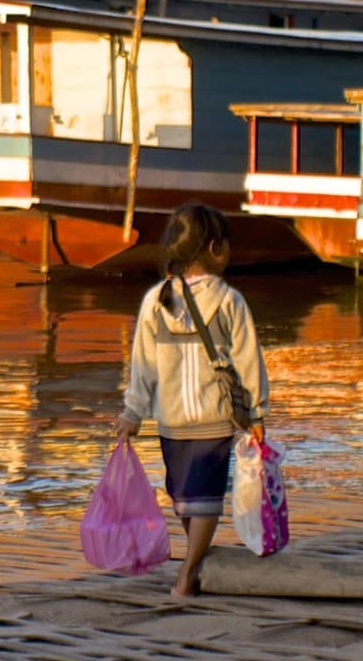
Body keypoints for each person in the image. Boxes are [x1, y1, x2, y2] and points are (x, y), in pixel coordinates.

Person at [112, 202, 271, 597]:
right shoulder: (229, 300)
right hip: (213, 414)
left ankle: (188, 571)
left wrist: (134, 410)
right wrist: (257, 410)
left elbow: (142, 362)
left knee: (189, 497)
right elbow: (250, 360)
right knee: (195, 500)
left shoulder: (156, 300)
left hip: (172, 418)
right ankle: (194, 565)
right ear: (214, 248)